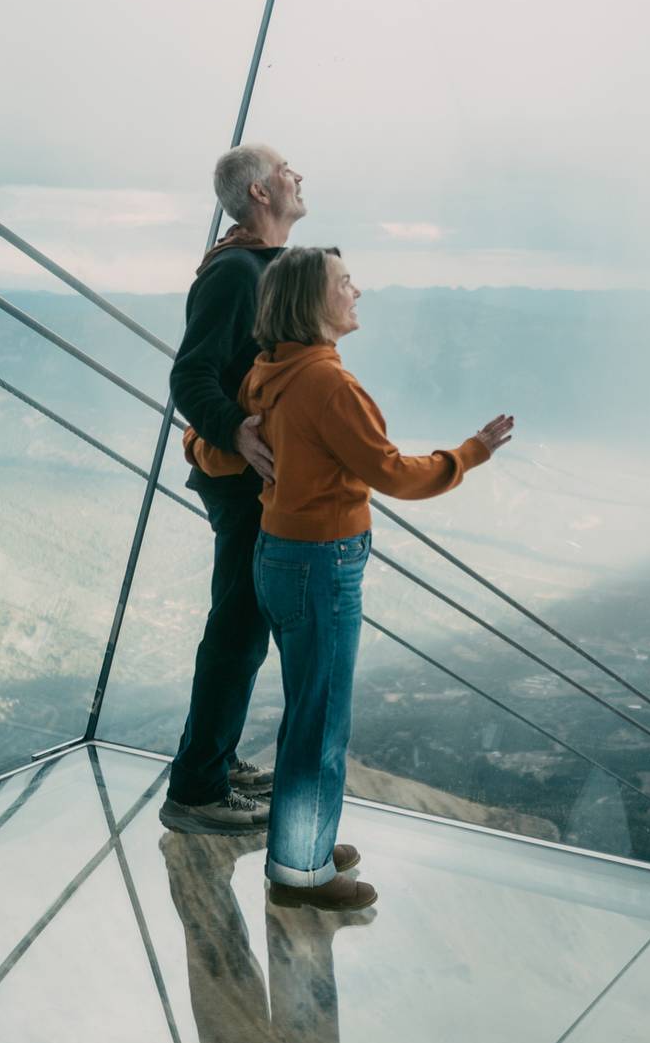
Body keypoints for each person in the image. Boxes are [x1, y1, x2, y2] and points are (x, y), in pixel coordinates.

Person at [187, 246, 514, 910]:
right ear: (317, 301)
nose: (356, 291)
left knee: (306, 711)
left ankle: (301, 840)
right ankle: (300, 872)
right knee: (321, 720)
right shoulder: (329, 385)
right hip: (321, 564)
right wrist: (471, 453)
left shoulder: (269, 371)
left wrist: (199, 446)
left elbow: (222, 443)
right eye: (344, 283)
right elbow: (393, 472)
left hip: (276, 554)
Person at [159, 144, 307, 835]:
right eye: (285, 170)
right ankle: (196, 789)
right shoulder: (237, 274)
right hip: (243, 481)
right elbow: (191, 375)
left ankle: (210, 761)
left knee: (240, 628)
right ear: (257, 191)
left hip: (255, 479)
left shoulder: (259, 268)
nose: (297, 175)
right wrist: (237, 434)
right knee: (238, 632)